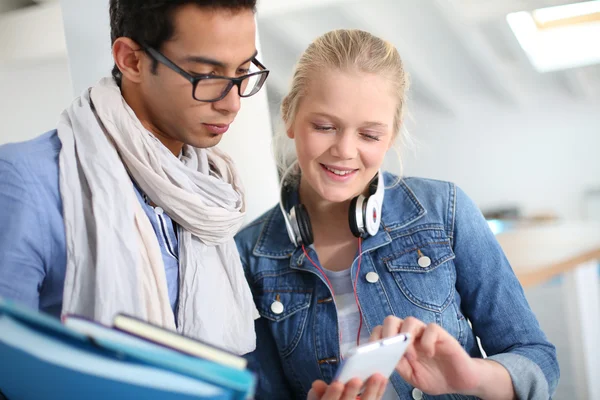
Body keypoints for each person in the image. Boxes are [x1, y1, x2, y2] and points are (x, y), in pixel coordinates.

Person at [235, 29, 560, 399]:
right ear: (289, 116)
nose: (344, 150)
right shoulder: (248, 255)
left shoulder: (444, 210)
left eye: (370, 135)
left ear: (392, 135)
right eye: (324, 127)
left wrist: (472, 375)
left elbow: (538, 360)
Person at [0, 0, 269, 355]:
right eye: (208, 76)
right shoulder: (26, 182)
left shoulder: (211, 190)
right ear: (131, 60)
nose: (232, 103)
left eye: (243, 70)